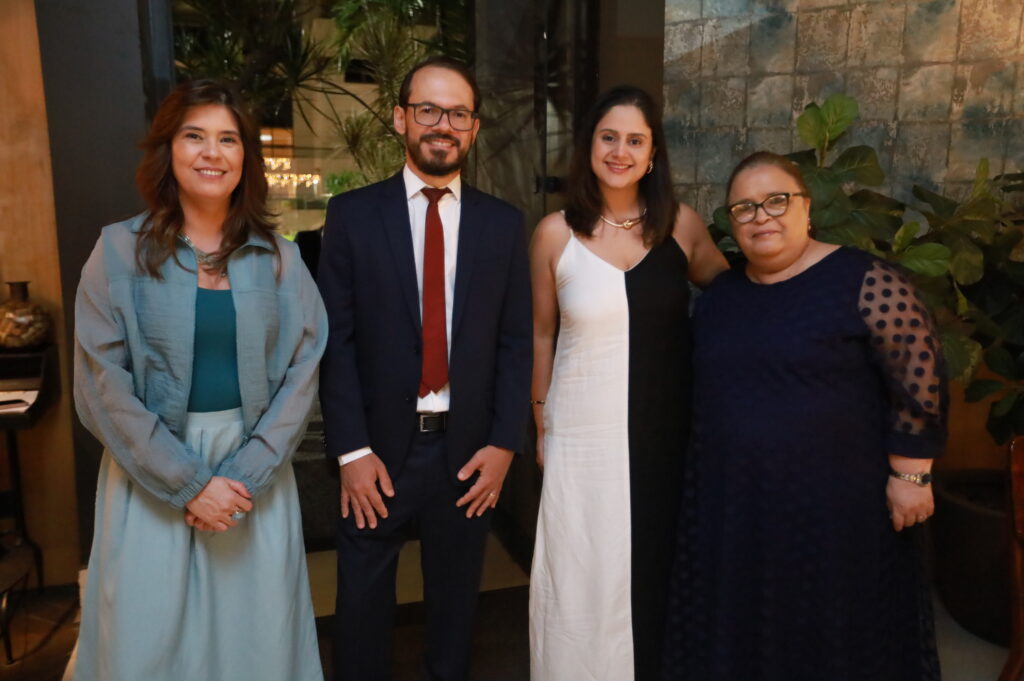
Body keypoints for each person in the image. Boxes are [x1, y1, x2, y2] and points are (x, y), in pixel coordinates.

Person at [72, 80, 326, 681]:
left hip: (251, 480)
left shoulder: (280, 258)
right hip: (150, 473)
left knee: (257, 644)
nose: (212, 152)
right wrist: (188, 483)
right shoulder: (118, 251)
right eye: (194, 136)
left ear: (246, 158)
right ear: (169, 149)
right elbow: (102, 385)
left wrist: (244, 476)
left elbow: (304, 369)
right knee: (148, 645)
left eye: (228, 140)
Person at [664, 151, 946, 681]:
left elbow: (918, 374)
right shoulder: (721, 297)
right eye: (744, 208)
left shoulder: (866, 281)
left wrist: (912, 474)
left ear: (807, 207)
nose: (761, 216)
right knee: (750, 624)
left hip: (837, 509)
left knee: (834, 625)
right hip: (736, 506)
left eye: (776, 201)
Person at [317, 56, 532, 681]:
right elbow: (335, 342)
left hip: (468, 454)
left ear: (474, 127)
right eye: (429, 109)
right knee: (361, 610)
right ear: (400, 118)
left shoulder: (502, 224)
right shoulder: (352, 215)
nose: (443, 124)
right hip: (375, 454)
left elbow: (515, 342)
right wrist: (351, 451)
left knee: (456, 611)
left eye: (458, 113)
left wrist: (503, 444)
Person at [528, 85, 728, 681]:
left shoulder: (681, 227)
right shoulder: (555, 233)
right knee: (581, 569)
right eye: (608, 137)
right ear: (589, 145)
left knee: (657, 565)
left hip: (666, 435)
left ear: (652, 153)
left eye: (635, 140)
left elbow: (734, 300)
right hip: (580, 436)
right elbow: (541, 336)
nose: (620, 151)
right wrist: (542, 425)